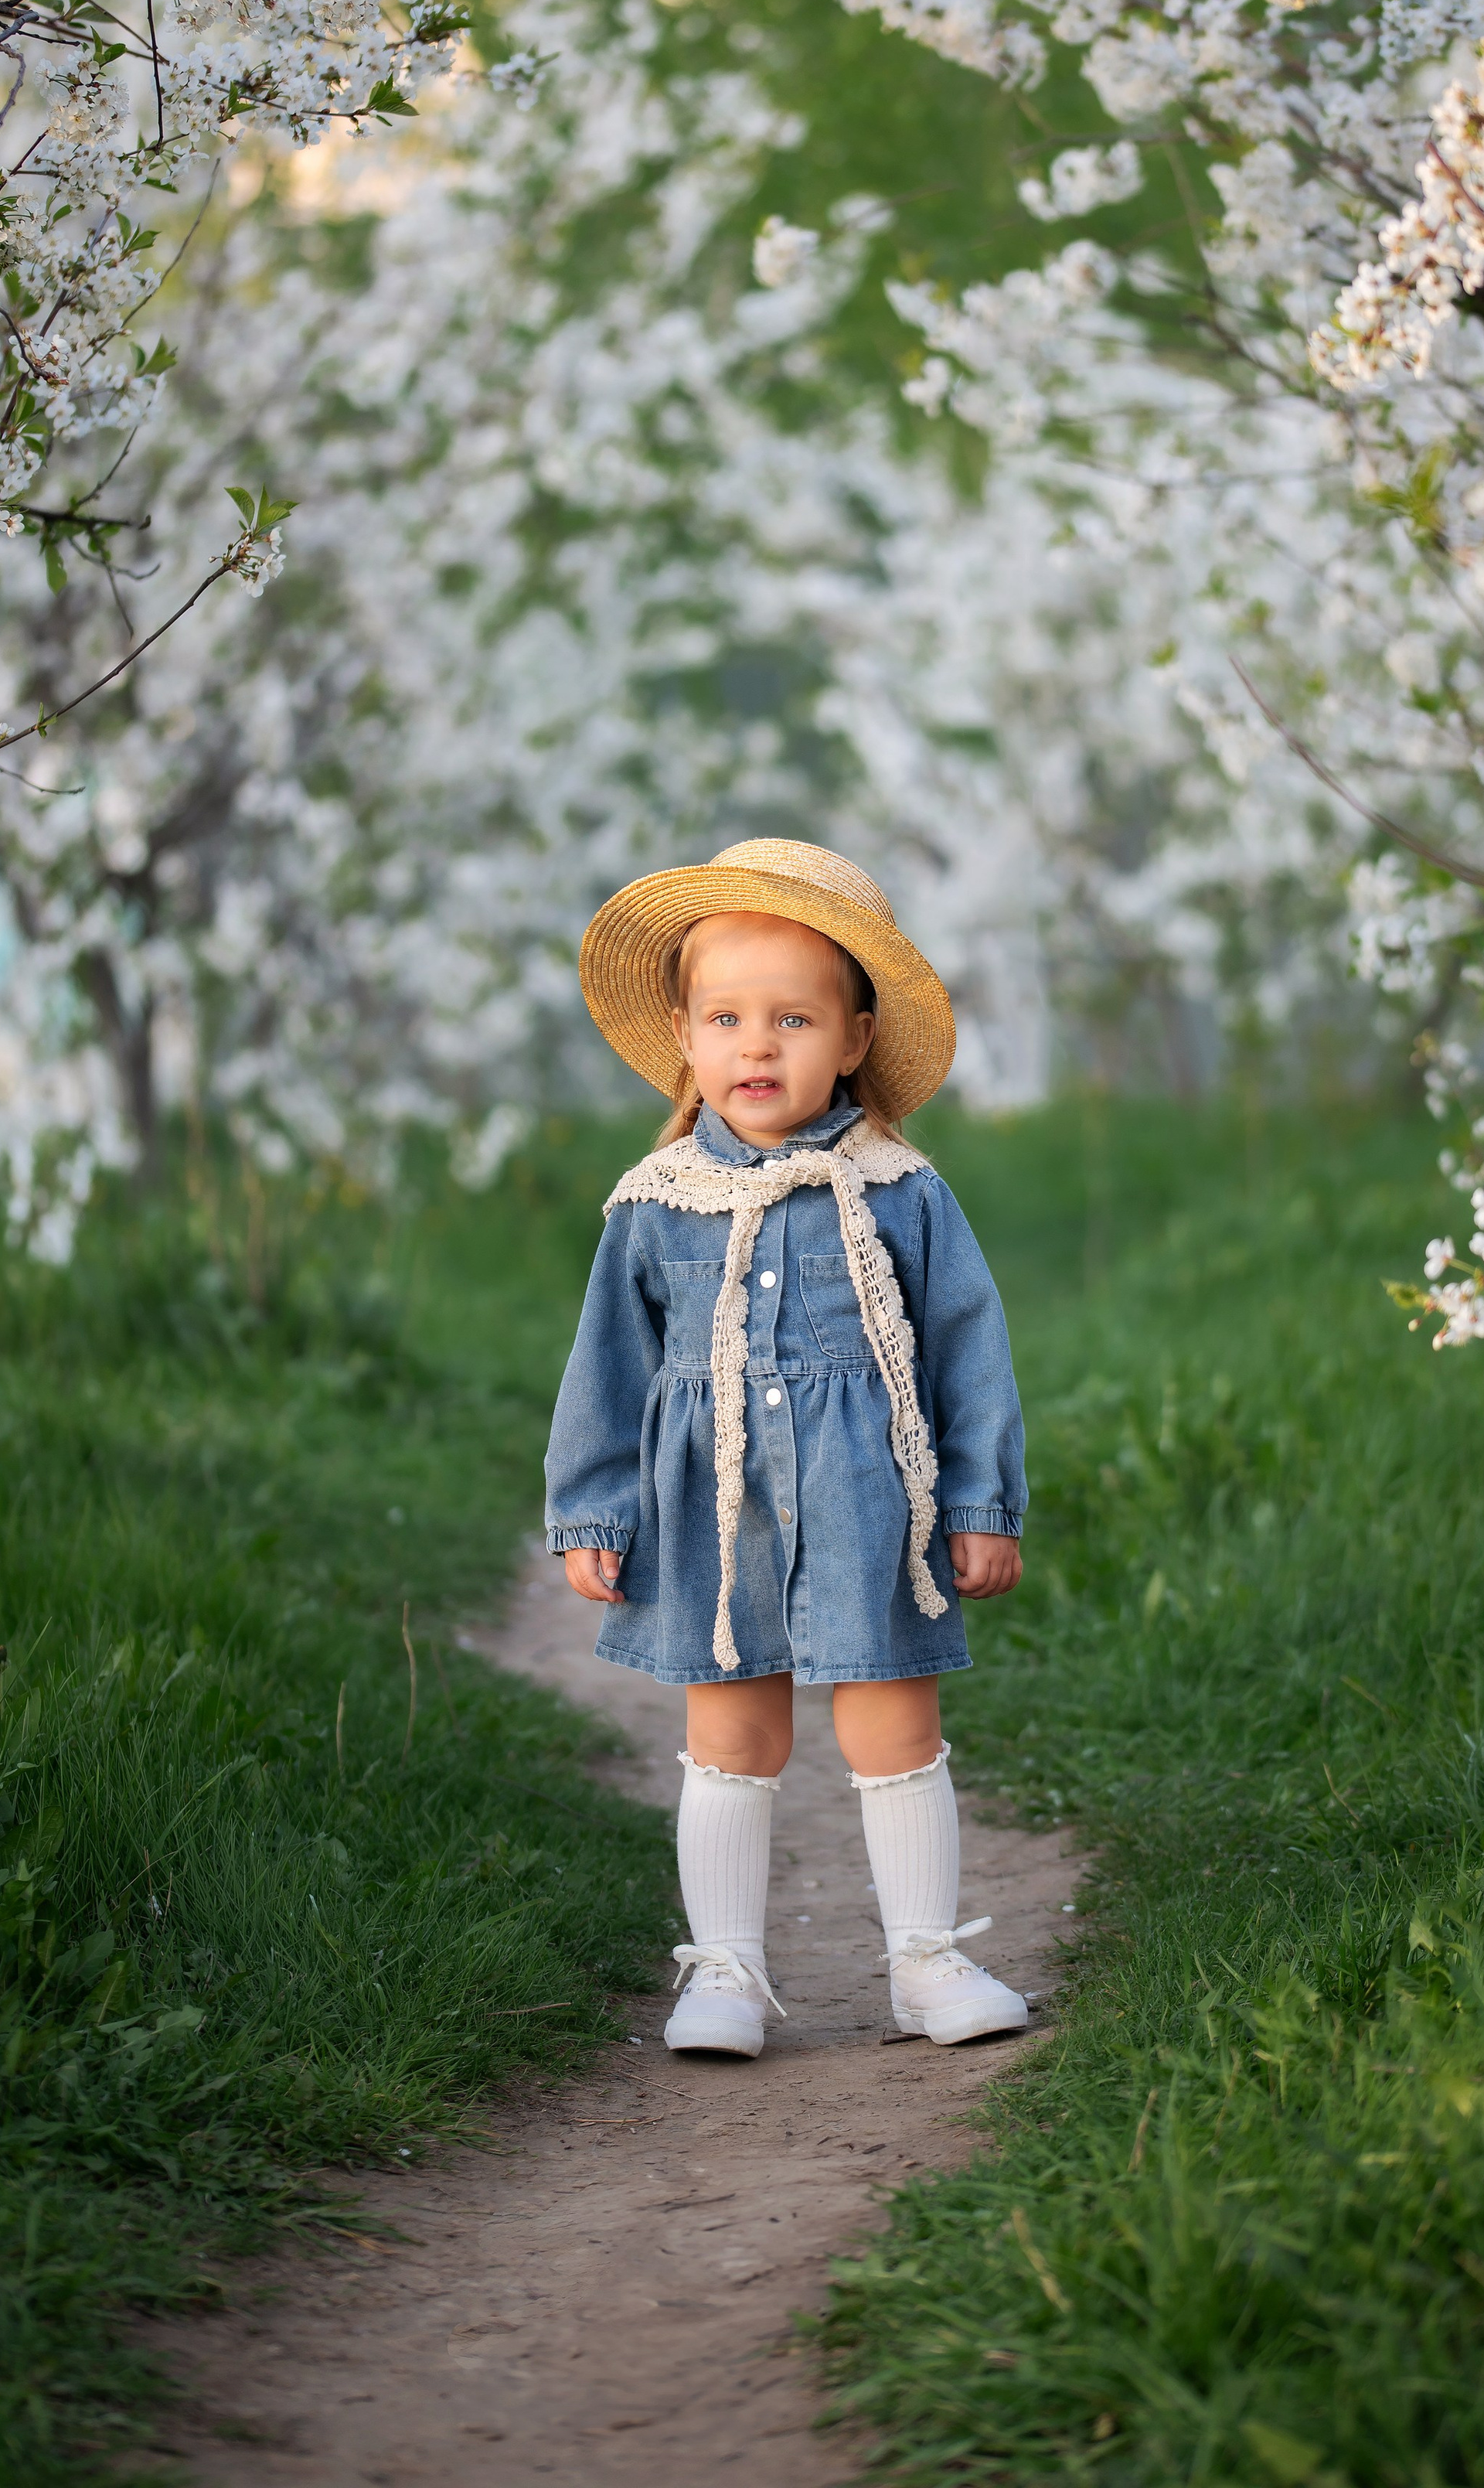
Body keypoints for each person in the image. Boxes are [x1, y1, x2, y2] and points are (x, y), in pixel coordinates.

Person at [543, 838, 1031, 2058]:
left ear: (855, 1039)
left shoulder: (898, 1187)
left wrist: (981, 1501)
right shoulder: (655, 1201)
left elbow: (968, 1347)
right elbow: (604, 1368)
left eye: (794, 1019)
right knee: (731, 1733)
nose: (757, 1047)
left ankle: (925, 1961)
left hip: (873, 1497)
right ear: (685, 1033)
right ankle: (726, 1972)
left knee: (893, 1722)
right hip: (716, 1510)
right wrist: (595, 1514)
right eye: (727, 1018)